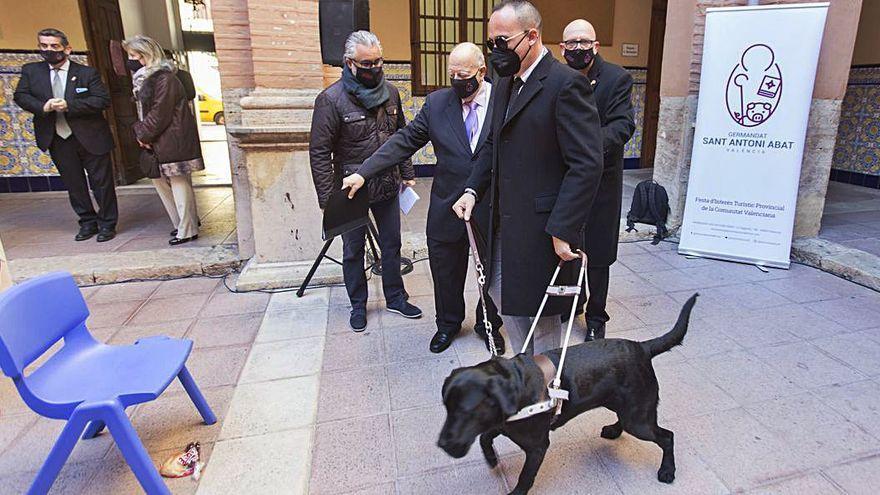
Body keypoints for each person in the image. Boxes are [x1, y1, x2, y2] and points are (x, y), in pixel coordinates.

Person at [452, 1, 604, 355]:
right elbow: (493, 141)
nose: (496, 52)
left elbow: (587, 163)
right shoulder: (505, 81)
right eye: (492, 44)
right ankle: (527, 378)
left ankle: (547, 397)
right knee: (508, 302)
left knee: (544, 320)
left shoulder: (565, 85)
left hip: (543, 230)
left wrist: (563, 228)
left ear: (532, 36)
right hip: (503, 225)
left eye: (502, 42)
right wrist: (473, 189)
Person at [343, 42, 505, 354]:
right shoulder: (437, 103)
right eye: (452, 74)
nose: (458, 79)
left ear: (483, 72)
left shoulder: (505, 99)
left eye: (465, 74)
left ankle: (489, 323)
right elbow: (403, 140)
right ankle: (447, 324)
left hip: (491, 202)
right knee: (445, 269)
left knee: (492, 270)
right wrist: (365, 172)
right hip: (447, 204)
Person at [309, 31, 423, 331]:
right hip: (350, 191)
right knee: (353, 251)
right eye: (366, 63)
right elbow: (319, 152)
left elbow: (403, 137)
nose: (374, 68)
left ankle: (396, 298)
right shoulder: (330, 100)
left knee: (392, 245)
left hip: (387, 184)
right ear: (349, 63)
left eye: (378, 62)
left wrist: (408, 174)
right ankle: (358, 305)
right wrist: (327, 200)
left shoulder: (392, 93)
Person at [560, 19, 636, 341]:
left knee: (599, 253)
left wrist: (584, 148)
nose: (578, 48)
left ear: (596, 45)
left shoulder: (616, 79)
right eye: (571, 43)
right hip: (564, 180)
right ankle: (573, 300)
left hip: (602, 180)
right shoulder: (557, 78)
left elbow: (622, 126)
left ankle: (596, 315)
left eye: (584, 41)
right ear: (562, 49)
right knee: (566, 246)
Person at [14, 28, 118, 242]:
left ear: (67, 49)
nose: (49, 50)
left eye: (54, 46)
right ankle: (87, 222)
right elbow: (21, 96)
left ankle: (107, 224)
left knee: (102, 183)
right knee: (74, 183)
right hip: (57, 137)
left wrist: (70, 105)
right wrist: (43, 106)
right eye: (44, 46)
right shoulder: (31, 71)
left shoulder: (87, 73)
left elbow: (102, 100)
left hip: (91, 137)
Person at [123, 35, 203, 246]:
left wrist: (143, 134)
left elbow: (160, 112)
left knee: (178, 181)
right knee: (160, 181)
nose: (129, 60)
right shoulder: (144, 79)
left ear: (145, 55)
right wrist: (144, 136)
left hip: (171, 138)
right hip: (156, 138)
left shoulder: (165, 78)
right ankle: (180, 225)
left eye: (133, 55)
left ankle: (187, 229)